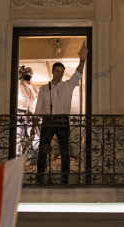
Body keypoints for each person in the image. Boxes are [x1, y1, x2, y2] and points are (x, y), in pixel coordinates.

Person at [31, 41, 88, 184]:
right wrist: (33, 126)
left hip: (63, 120)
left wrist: (82, 60)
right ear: (53, 72)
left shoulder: (67, 86)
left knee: (64, 151)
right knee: (43, 150)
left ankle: (64, 179)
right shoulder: (44, 88)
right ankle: (39, 178)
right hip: (48, 120)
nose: (60, 74)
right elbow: (38, 108)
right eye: (57, 71)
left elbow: (78, 73)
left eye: (62, 72)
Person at [17, 66, 39, 163]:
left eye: (29, 75)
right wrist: (18, 77)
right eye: (26, 75)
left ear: (32, 75)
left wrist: (30, 86)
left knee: (35, 136)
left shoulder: (33, 86)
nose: (27, 77)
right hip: (19, 112)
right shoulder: (18, 84)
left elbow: (39, 96)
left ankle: (34, 159)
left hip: (30, 114)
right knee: (17, 137)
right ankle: (16, 159)